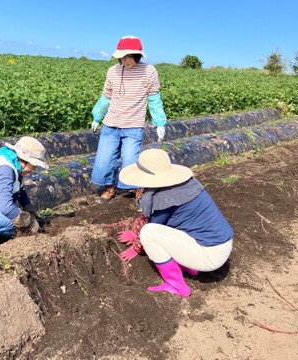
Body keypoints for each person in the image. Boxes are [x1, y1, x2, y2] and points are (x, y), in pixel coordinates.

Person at [117, 149, 234, 297]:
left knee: (149, 233)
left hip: (210, 255)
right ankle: (188, 266)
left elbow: (152, 225)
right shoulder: (186, 184)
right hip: (219, 242)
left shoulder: (164, 198)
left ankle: (177, 285)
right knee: (159, 229)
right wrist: (134, 233)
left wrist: (136, 247)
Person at [90, 35, 167, 204]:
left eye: (129, 56)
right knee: (105, 159)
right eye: (122, 57)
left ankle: (138, 188)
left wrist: (159, 122)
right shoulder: (113, 71)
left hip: (133, 126)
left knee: (130, 161)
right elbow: (106, 97)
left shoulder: (149, 71)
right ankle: (110, 188)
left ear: (137, 55)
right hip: (111, 125)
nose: (126, 60)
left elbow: (154, 99)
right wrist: (97, 116)